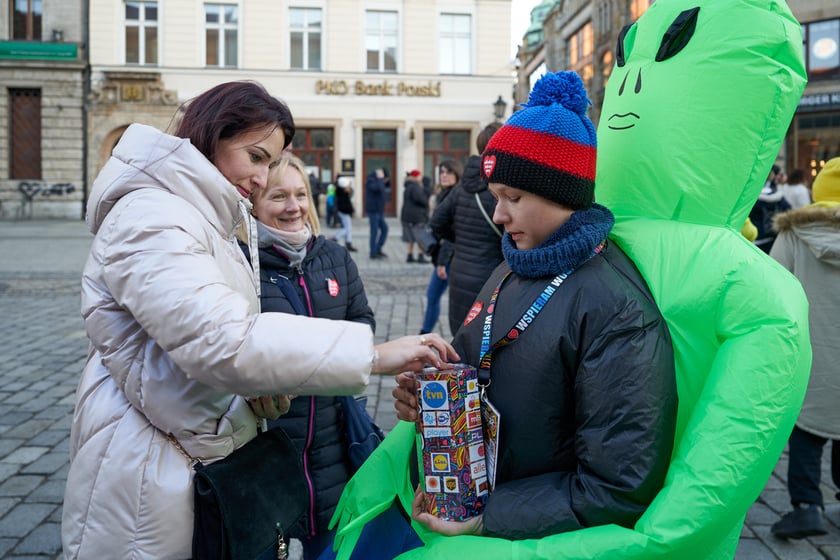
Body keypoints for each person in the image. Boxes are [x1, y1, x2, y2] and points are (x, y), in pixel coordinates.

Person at [61, 80, 457, 559]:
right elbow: (221, 342)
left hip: (185, 458)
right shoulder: (152, 215)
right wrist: (373, 355)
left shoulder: (203, 218)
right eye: (256, 157)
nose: (264, 178)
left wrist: (251, 397)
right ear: (212, 136)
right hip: (146, 472)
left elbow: (181, 351)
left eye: (271, 162)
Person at [333, 72, 677, 555]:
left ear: (564, 195)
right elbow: (483, 370)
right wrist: (435, 400)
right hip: (473, 516)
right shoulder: (514, 265)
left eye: (513, 199)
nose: (498, 215)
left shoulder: (614, 307)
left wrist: (487, 519)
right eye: (497, 197)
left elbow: (616, 487)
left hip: (522, 540)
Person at [247, 153, 374, 559]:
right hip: (267, 450)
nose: (294, 206)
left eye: (301, 194)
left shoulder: (334, 258)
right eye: (278, 195)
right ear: (253, 203)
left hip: (334, 445)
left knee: (330, 544)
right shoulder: (240, 266)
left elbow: (362, 324)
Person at [770, 157, 840, 540]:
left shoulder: (796, 234)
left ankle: (807, 506)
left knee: (805, 432)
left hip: (811, 354)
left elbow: (773, 290)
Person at [431, 123, 504, 334]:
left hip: (461, 271)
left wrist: (459, 238)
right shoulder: (502, 188)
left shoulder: (462, 188)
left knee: (462, 335)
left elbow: (437, 222)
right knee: (485, 336)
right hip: (491, 275)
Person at [420, 160, 462, 334]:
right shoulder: (442, 195)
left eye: (449, 172)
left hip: (451, 258)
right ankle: (425, 333)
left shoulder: (456, 196)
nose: (444, 175)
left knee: (456, 302)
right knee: (432, 296)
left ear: (457, 175)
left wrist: (442, 262)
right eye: (442, 172)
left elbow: (452, 235)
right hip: (442, 256)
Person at [749, 164, 791, 252]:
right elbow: (788, 209)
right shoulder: (777, 195)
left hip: (752, 235)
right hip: (770, 234)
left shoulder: (749, 195)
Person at [401, 169, 431, 263]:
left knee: (409, 237)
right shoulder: (415, 187)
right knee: (420, 236)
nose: (421, 178)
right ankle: (420, 256)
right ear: (416, 177)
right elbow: (421, 200)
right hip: (417, 216)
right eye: (420, 176)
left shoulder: (408, 186)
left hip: (406, 215)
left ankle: (409, 255)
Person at [365, 167, 390, 259]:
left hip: (379, 211)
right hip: (373, 211)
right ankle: (373, 252)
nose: (385, 180)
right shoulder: (371, 181)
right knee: (374, 232)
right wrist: (380, 178)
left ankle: (378, 249)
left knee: (385, 229)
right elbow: (378, 189)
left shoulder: (378, 181)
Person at [333, 175, 358, 252]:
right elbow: (346, 205)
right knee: (347, 229)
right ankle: (335, 238)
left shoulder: (343, 192)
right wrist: (351, 211)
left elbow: (348, 201)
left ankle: (348, 243)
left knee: (348, 228)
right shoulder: (342, 194)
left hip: (344, 212)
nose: (348, 187)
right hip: (344, 213)